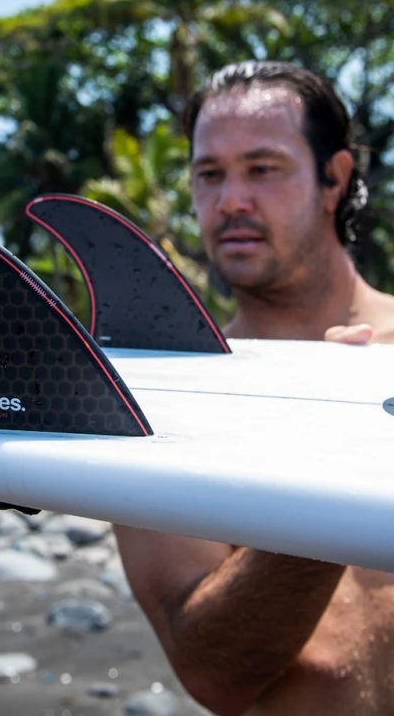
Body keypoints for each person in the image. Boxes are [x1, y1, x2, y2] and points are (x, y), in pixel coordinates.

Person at [114, 61, 394, 716]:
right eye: (209, 174)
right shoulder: (164, 400)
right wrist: (336, 461)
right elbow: (214, 673)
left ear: (335, 179)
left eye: (263, 169)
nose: (231, 201)